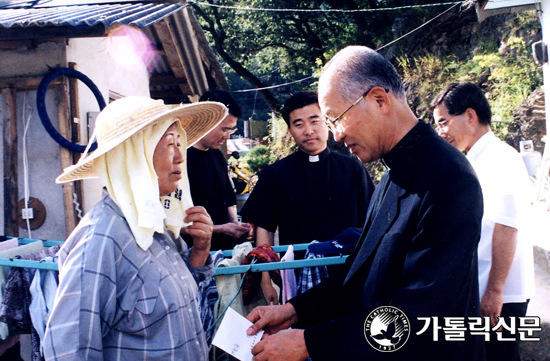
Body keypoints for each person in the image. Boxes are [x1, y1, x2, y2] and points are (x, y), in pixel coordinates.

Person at [246, 46, 485, 361]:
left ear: (379, 100)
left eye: (336, 119)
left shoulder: (448, 179)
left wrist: (309, 342)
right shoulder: (390, 175)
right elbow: (359, 276)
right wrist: (293, 311)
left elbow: (420, 312)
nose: (336, 135)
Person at [43, 96, 227, 361]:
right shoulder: (99, 241)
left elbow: (173, 305)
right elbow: (69, 351)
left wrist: (200, 251)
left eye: (180, 143)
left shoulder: (153, 223)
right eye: (168, 144)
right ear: (134, 155)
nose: (179, 157)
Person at [431, 82, 535, 361]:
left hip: (501, 296)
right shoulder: (478, 159)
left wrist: (494, 291)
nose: (441, 133)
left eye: (443, 123)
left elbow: (506, 226)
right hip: (486, 290)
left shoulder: (500, 158)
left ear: (470, 115)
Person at [240, 91, 374, 304]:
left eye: (315, 121)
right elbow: (263, 229)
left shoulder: (353, 169)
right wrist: (266, 279)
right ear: (291, 130)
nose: (309, 131)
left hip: (349, 272)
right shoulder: (275, 175)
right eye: (299, 124)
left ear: (327, 122)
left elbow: (370, 223)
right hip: (295, 276)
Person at [186, 88, 252, 252]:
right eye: (224, 129)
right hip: (196, 252)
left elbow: (229, 198)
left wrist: (236, 225)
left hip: (226, 251)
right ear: (205, 120)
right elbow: (177, 222)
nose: (228, 136)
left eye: (232, 130)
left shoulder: (217, 155)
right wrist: (223, 229)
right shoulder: (180, 159)